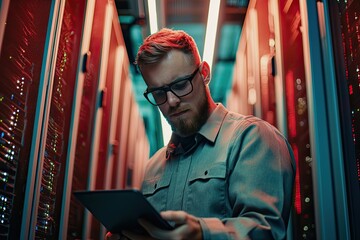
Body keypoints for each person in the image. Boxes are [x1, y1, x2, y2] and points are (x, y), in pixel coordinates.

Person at [106, 28, 295, 240]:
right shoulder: (153, 166)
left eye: (180, 85)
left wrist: (202, 234)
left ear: (204, 73)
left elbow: (265, 230)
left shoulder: (252, 138)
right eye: (159, 92)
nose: (172, 101)